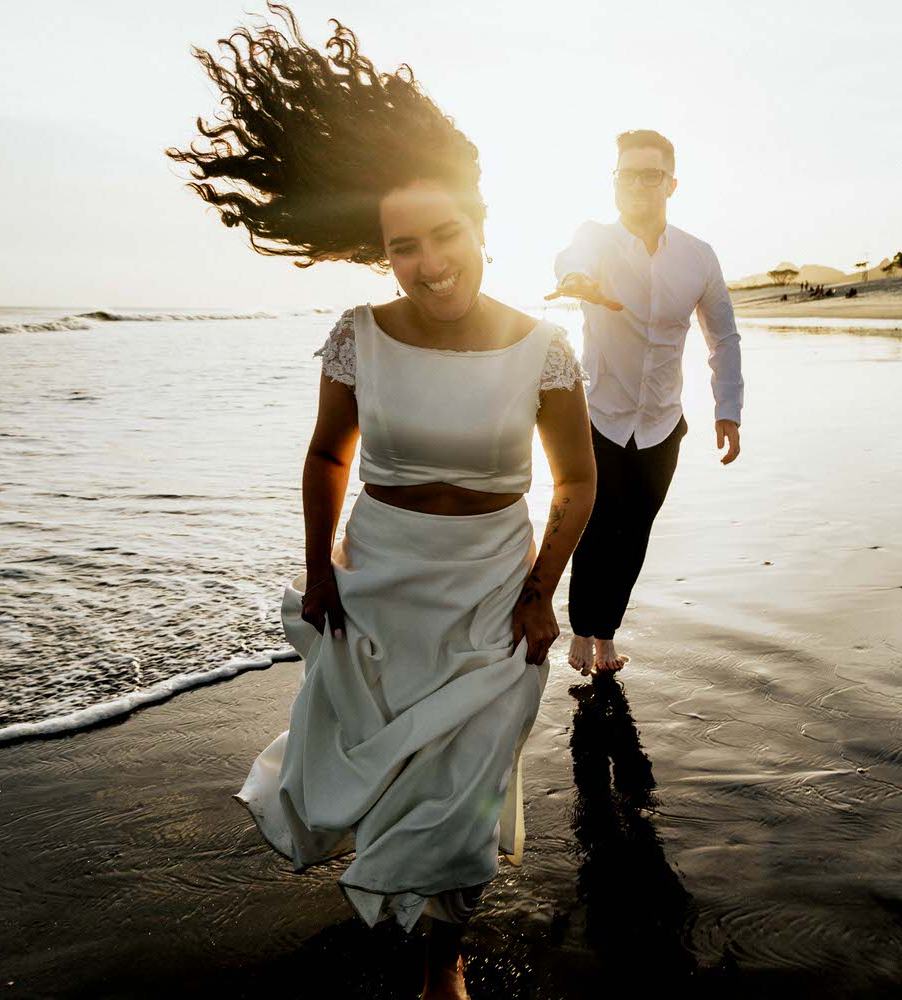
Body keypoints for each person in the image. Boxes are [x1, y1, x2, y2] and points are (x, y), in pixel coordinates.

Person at [166, 7, 596, 998]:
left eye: (446, 233)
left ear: (483, 223)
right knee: (392, 777)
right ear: (383, 251)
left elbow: (576, 481)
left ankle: (443, 960)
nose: (430, 260)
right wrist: (322, 573)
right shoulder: (359, 334)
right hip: (381, 587)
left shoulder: (545, 349)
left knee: (465, 790)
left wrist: (540, 592)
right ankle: (404, 923)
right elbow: (327, 452)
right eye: (404, 244)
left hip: (494, 593)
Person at [546, 129, 744, 676]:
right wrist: (575, 279)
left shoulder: (698, 257)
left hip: (662, 424)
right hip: (599, 416)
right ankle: (582, 630)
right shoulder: (595, 238)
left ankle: (606, 634)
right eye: (625, 173)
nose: (636, 183)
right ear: (614, 181)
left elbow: (722, 337)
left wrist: (726, 409)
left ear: (671, 183)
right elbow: (571, 258)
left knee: (634, 535)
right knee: (593, 525)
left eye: (649, 174)